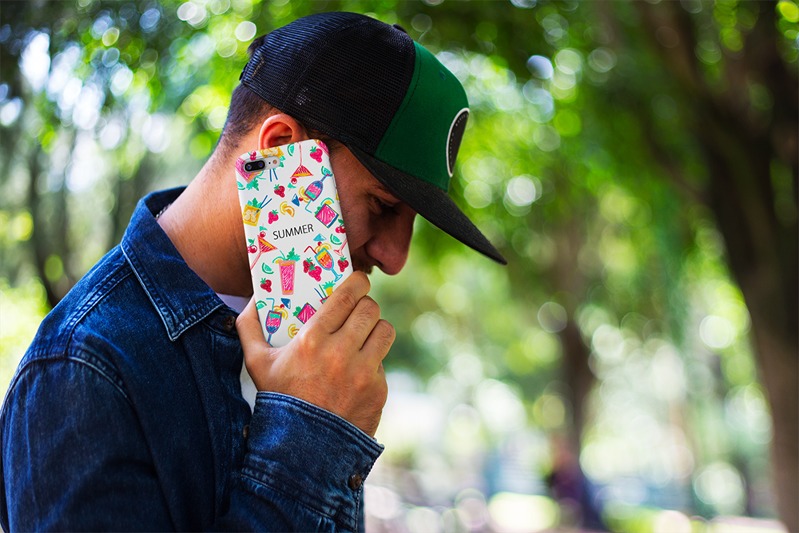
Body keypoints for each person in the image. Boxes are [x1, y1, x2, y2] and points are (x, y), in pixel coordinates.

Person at [0, 11, 505, 531]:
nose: (395, 258)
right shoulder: (82, 369)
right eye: (382, 205)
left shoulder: (307, 343)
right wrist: (310, 433)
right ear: (281, 150)